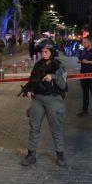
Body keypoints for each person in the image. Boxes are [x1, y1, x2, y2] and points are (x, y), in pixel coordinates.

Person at [21, 39, 68, 167]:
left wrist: (53, 76)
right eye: (42, 51)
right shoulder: (38, 65)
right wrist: (29, 90)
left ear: (52, 52)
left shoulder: (58, 65)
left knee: (56, 128)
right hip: (38, 99)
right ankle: (31, 155)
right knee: (34, 127)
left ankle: (60, 155)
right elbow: (32, 80)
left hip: (53, 100)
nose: (43, 53)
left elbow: (64, 85)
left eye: (46, 51)